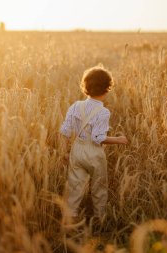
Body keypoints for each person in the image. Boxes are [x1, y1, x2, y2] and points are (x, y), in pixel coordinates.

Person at [59, 65, 128, 225]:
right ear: (107, 89)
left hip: (77, 150)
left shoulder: (75, 106)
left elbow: (65, 131)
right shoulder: (103, 112)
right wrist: (118, 140)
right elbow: (98, 138)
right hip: (94, 153)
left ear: (85, 87)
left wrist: (64, 152)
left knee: (74, 188)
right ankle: (100, 220)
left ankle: (69, 220)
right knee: (99, 188)